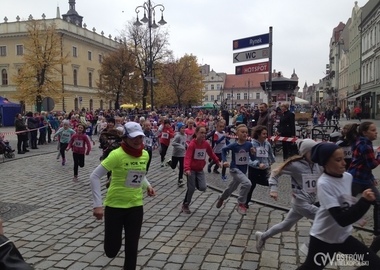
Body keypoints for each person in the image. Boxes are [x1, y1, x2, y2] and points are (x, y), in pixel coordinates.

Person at [297, 143, 380, 269]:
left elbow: (345, 201)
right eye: (338, 160)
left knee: (374, 264)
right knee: (310, 267)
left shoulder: (347, 177)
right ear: (325, 163)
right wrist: (364, 202)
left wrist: (359, 215)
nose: (344, 163)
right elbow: (342, 219)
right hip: (324, 238)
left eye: (344, 158)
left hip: (343, 236)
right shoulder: (324, 183)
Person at [90, 122, 156, 270]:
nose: (137, 140)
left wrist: (148, 186)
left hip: (135, 206)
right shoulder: (116, 155)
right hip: (115, 206)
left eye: (140, 137)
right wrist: (97, 205)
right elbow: (94, 176)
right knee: (111, 250)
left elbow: (140, 174)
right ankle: (112, 244)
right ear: (125, 137)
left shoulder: (145, 154)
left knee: (132, 248)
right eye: (134, 137)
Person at [255, 139, 322, 253]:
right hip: (300, 202)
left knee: (286, 226)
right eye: (312, 152)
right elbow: (275, 172)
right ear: (305, 153)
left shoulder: (317, 165)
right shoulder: (295, 165)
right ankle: (309, 246)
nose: (316, 155)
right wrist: (274, 189)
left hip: (308, 201)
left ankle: (263, 236)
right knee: (322, 218)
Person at [347, 121, 380, 251]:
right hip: (357, 178)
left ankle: (377, 232)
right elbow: (371, 164)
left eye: (375, 129)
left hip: (364, 178)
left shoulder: (362, 141)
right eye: (373, 130)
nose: (376, 132)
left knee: (378, 202)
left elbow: (364, 163)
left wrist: (371, 177)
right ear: (365, 132)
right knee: (345, 202)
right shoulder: (364, 144)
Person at [215, 124, 255, 215]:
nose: (245, 134)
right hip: (234, 169)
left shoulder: (249, 144)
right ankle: (241, 203)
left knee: (232, 187)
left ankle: (221, 197)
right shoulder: (234, 145)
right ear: (237, 133)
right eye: (242, 132)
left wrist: (253, 153)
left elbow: (252, 158)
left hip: (243, 170)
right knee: (247, 183)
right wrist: (224, 161)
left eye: (246, 132)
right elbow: (223, 150)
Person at [182, 125, 221, 214]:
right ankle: (185, 204)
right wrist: (187, 168)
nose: (203, 135)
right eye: (201, 133)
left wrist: (217, 161)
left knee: (203, 187)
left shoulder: (206, 143)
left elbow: (211, 153)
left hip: (199, 169)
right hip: (191, 169)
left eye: (204, 133)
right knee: (191, 188)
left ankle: (195, 181)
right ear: (196, 133)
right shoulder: (192, 144)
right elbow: (187, 157)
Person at [246, 125, 275, 209]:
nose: (265, 135)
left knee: (268, 182)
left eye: (266, 134)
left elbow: (270, 154)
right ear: (258, 134)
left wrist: (272, 162)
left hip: (264, 167)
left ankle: (255, 181)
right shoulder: (252, 144)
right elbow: (249, 158)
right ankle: (245, 202)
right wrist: (257, 164)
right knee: (251, 186)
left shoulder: (267, 144)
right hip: (254, 168)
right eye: (263, 134)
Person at [167, 122, 186, 187]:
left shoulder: (185, 135)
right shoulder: (177, 136)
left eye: (184, 128)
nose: (183, 129)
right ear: (179, 129)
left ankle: (180, 180)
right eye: (182, 128)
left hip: (182, 154)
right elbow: (173, 143)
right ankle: (170, 162)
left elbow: (184, 143)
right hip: (175, 154)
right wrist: (180, 145)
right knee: (173, 166)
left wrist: (187, 146)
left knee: (181, 167)